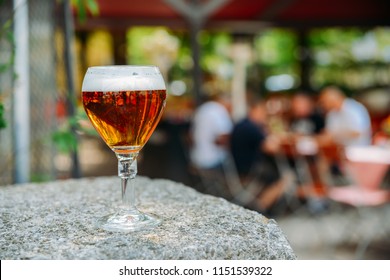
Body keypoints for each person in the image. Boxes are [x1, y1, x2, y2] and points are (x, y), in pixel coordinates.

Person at [230, 99, 287, 213]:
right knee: (284, 179)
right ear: (255, 111)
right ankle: (260, 208)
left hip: (239, 167)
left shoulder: (241, 125)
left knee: (273, 173)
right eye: (263, 112)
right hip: (251, 169)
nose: (264, 115)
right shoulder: (251, 127)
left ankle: (258, 205)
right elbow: (271, 148)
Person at [189, 92, 233, 171]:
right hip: (212, 161)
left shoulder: (202, 109)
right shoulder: (219, 110)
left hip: (196, 158)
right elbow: (224, 138)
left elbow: (190, 136)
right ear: (227, 103)